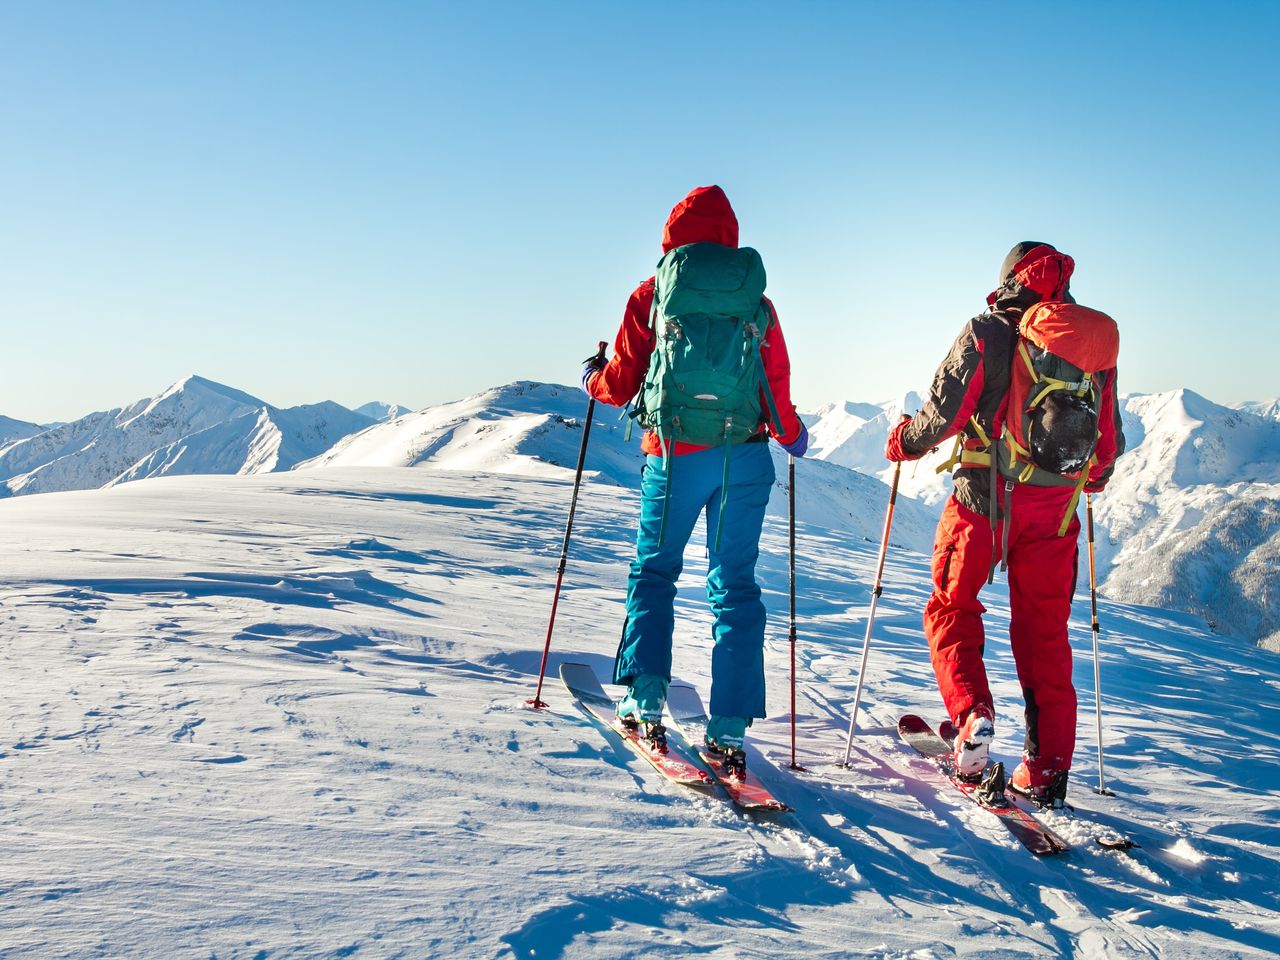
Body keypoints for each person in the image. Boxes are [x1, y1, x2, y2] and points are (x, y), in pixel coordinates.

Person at [883, 241, 1124, 804]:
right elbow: (1106, 444)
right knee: (1044, 632)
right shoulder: (1088, 345)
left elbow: (943, 413)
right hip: (1055, 513)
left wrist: (903, 441)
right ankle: (1046, 768)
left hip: (983, 502)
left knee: (951, 606)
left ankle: (973, 717)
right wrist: (1084, 479)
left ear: (1009, 279)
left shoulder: (988, 333)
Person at [581, 185, 808, 773]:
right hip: (746, 457)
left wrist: (592, 378)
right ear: (729, 236)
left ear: (673, 237)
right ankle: (729, 727)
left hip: (676, 451)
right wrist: (791, 433)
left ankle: (645, 699)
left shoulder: (654, 294)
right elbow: (773, 384)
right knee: (734, 586)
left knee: (655, 573)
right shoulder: (757, 303)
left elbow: (623, 382)